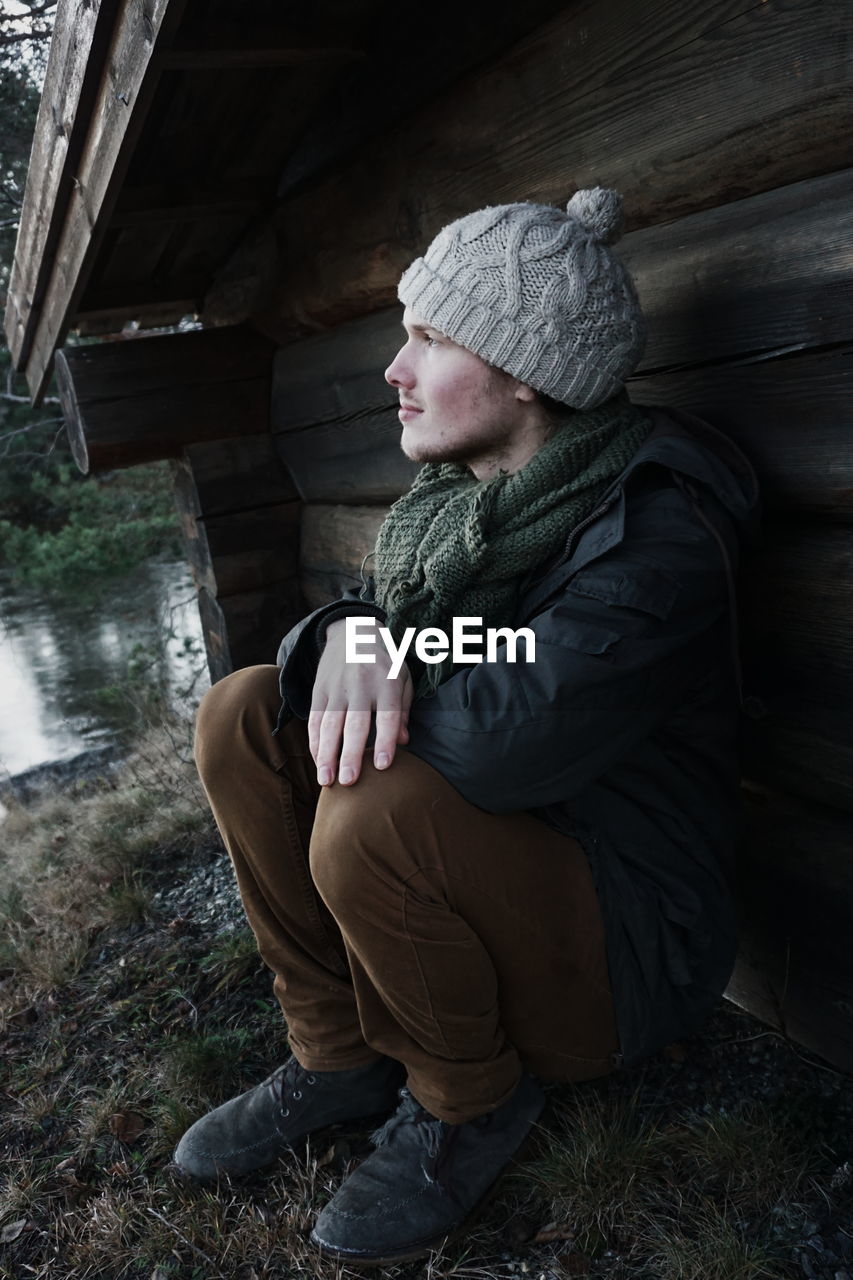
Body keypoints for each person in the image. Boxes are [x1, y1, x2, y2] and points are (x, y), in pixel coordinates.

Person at [173, 188, 761, 1264]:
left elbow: (508, 727)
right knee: (243, 711)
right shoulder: (455, 514)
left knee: (373, 809)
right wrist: (349, 628)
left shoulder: (660, 522)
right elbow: (397, 667)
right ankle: (337, 1052)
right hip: (509, 871)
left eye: (430, 337)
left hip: (621, 945)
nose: (393, 369)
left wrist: (391, 651)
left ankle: (465, 1102)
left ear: (523, 368)